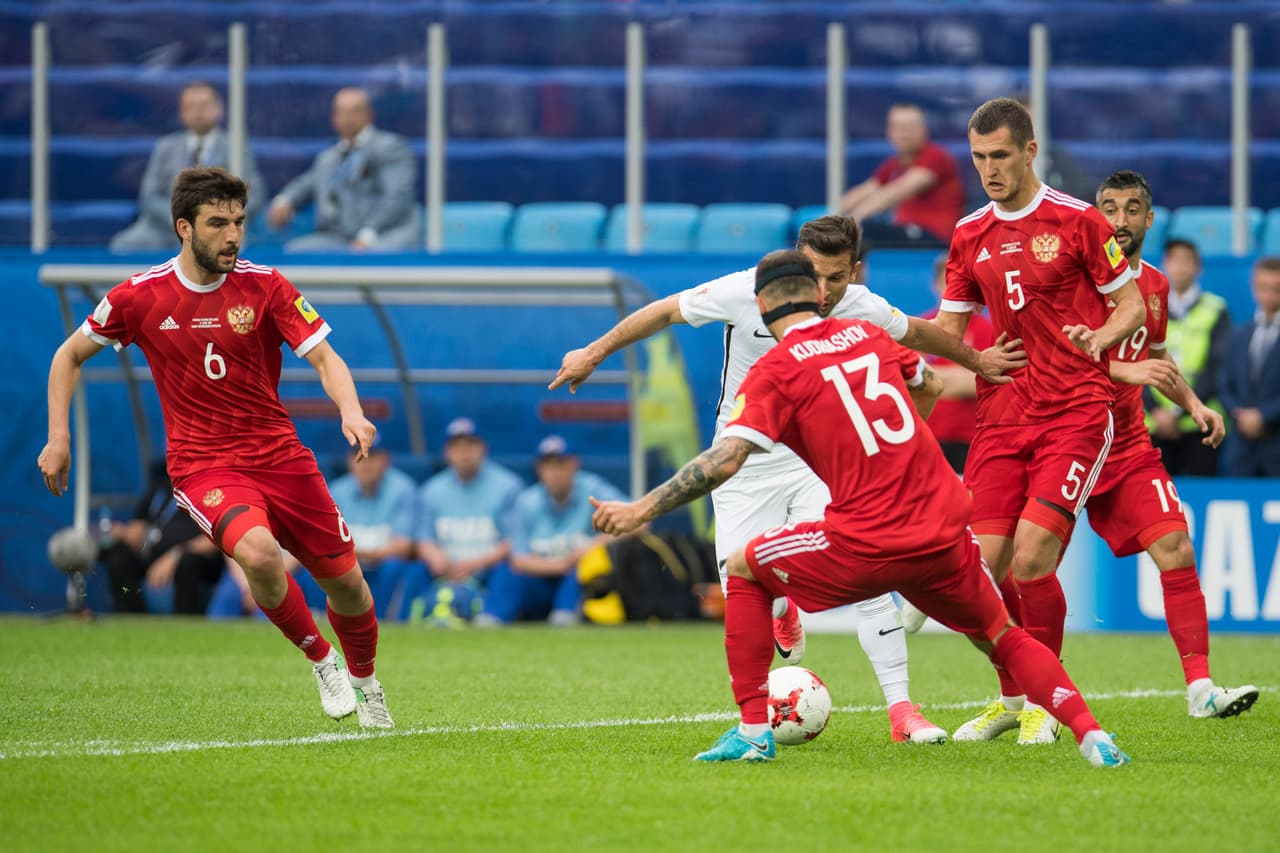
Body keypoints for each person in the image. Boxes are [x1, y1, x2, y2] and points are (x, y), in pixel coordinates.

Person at [590, 250, 1130, 768]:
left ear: (762, 306)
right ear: (817, 293)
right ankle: (1094, 736)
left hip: (869, 538)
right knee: (1005, 636)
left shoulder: (775, 370)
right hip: (943, 527)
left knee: (744, 569)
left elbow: (725, 459)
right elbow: (932, 382)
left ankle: (754, 732)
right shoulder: (867, 335)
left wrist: (641, 509)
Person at [551, 213, 1025, 744]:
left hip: (818, 460)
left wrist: (979, 360)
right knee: (741, 586)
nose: (824, 292)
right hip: (744, 459)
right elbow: (664, 311)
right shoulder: (744, 291)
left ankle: (902, 712)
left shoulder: (861, 306)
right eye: (815, 275)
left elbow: (920, 332)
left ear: (856, 272)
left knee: (875, 579)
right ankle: (778, 634)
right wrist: (592, 353)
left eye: (838, 279)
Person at [39, 166, 394, 728]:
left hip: (281, 457)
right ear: (184, 227)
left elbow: (326, 357)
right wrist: (58, 437)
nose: (232, 235)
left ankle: (367, 683)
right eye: (217, 223)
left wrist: (351, 411)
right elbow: (67, 356)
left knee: (348, 584)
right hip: (205, 466)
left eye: (239, 222)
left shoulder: (267, 285)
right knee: (256, 553)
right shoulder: (139, 295)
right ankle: (320, 658)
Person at [935, 98, 1146, 746]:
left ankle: (1045, 704)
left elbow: (1132, 306)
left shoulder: (1079, 221)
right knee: (976, 573)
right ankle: (1011, 696)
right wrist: (972, 358)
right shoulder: (970, 232)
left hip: (1076, 411)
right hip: (1001, 416)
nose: (989, 169)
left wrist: (1100, 334)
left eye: (1000, 155)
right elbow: (948, 333)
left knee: (1030, 560)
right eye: (978, 158)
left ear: (1030, 151)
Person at [479, 436, 621, 626]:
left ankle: (566, 617)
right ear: (539, 470)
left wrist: (591, 547)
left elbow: (638, 524)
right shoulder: (526, 502)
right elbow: (518, 559)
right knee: (506, 573)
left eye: (561, 464)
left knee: (585, 568)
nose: (555, 472)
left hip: (579, 578)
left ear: (574, 465)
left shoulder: (594, 489)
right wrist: (560, 565)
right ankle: (491, 619)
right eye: (548, 465)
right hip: (540, 577)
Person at [111, 82, 265, 252]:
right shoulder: (165, 146)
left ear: (220, 109)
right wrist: (177, 219)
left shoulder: (236, 146)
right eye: (191, 106)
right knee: (123, 245)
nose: (198, 111)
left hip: (218, 228)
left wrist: (220, 219)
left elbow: (255, 193)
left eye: (204, 105)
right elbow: (149, 196)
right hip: (166, 228)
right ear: (182, 113)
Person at [267, 87, 419, 251]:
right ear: (334, 118)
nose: (347, 118)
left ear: (369, 114)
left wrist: (368, 234)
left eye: (354, 111)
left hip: (384, 234)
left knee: (371, 257)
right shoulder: (329, 156)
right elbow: (308, 182)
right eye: (341, 112)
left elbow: (396, 198)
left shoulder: (390, 147)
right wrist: (285, 200)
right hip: (340, 237)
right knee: (296, 251)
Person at [409, 417, 523, 624]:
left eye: (470, 445)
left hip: (487, 568)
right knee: (415, 571)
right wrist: (436, 558)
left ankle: (491, 618)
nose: (464, 453)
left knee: (509, 571)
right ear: (446, 452)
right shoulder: (432, 490)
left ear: (483, 449)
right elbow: (423, 538)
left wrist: (475, 564)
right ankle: (404, 621)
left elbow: (515, 540)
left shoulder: (507, 486)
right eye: (456, 446)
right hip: (445, 569)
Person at [97, 458, 226, 614]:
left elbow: (219, 537)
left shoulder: (213, 491)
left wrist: (175, 555)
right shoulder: (160, 487)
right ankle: (134, 621)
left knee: (188, 563)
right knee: (118, 558)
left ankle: (186, 624)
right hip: (154, 554)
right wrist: (126, 533)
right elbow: (139, 525)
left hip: (192, 557)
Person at [1147, 239, 1231, 476]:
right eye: (1175, 260)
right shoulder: (1148, 307)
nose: (1181, 267)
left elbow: (1218, 368)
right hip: (1155, 424)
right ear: (1164, 265)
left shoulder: (1216, 309)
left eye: (1187, 261)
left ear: (1198, 267)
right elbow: (1135, 362)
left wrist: (1181, 410)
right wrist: (1156, 412)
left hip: (1200, 425)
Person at [840, 103, 965, 247]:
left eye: (909, 127)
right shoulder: (894, 164)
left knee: (861, 232)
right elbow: (866, 189)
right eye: (897, 127)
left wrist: (856, 217)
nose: (903, 134)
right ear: (889, 132)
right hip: (906, 233)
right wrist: (830, 213)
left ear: (924, 130)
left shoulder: (936, 157)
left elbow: (900, 190)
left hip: (933, 236)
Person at [327, 437, 417, 621]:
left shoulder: (403, 489)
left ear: (385, 460)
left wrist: (361, 553)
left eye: (371, 455)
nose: (364, 462)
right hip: (348, 564)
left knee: (395, 566)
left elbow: (404, 547)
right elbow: (323, 541)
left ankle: (384, 620)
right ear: (349, 461)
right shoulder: (336, 490)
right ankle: (324, 618)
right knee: (319, 567)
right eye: (357, 455)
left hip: (381, 564)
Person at [921, 254, 994, 474]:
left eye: (959, 284)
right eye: (946, 281)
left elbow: (981, 382)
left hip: (971, 441)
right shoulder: (919, 330)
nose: (952, 290)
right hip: (928, 440)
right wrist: (962, 375)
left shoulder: (988, 331)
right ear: (934, 284)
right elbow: (906, 381)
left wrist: (933, 378)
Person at [1219, 256, 1280, 477]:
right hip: (1241, 448)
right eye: (1263, 287)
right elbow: (1225, 383)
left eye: (1276, 289)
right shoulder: (1240, 334)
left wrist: (1264, 416)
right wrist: (1241, 416)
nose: (1270, 295)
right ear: (1254, 287)